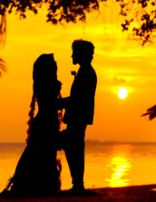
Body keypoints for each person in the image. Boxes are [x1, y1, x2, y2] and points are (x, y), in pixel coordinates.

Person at [0, 53, 63, 197]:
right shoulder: (45, 84)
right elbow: (49, 105)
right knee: (41, 152)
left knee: (42, 153)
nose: (56, 68)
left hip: (47, 120)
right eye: (54, 66)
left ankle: (41, 185)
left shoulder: (43, 83)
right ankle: (40, 185)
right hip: (46, 121)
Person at [59, 39, 97, 195]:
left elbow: (78, 99)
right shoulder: (85, 72)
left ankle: (78, 184)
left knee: (74, 147)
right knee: (73, 147)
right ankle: (77, 183)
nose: (72, 55)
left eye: (74, 53)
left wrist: (59, 103)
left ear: (81, 54)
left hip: (78, 117)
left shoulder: (86, 73)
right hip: (78, 116)